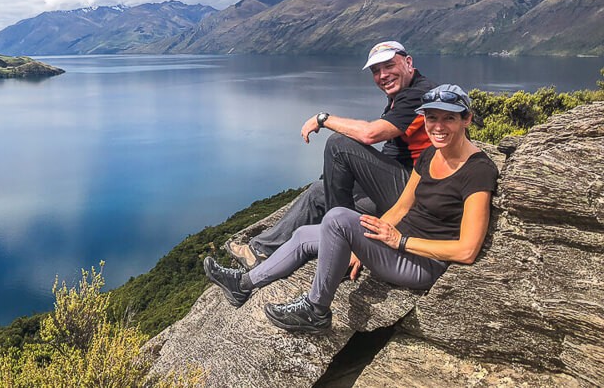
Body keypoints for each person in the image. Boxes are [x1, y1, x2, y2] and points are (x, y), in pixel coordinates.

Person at [205, 84, 498, 333]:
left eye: (449, 118)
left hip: (421, 262)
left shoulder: (478, 171)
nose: (437, 126)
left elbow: (467, 250)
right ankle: (243, 284)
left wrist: (400, 241)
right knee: (305, 235)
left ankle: (316, 310)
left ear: (467, 120)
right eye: (431, 117)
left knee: (337, 218)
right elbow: (401, 207)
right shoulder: (431, 154)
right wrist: (363, 243)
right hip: (392, 245)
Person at [227, 41, 438, 271]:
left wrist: (323, 119)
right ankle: (260, 251)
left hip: (415, 192)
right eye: (376, 71)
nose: (383, 75)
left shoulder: (420, 94)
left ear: (408, 63)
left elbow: (370, 134)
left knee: (339, 145)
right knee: (319, 190)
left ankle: (341, 240)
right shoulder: (403, 92)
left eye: (389, 66)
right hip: (398, 185)